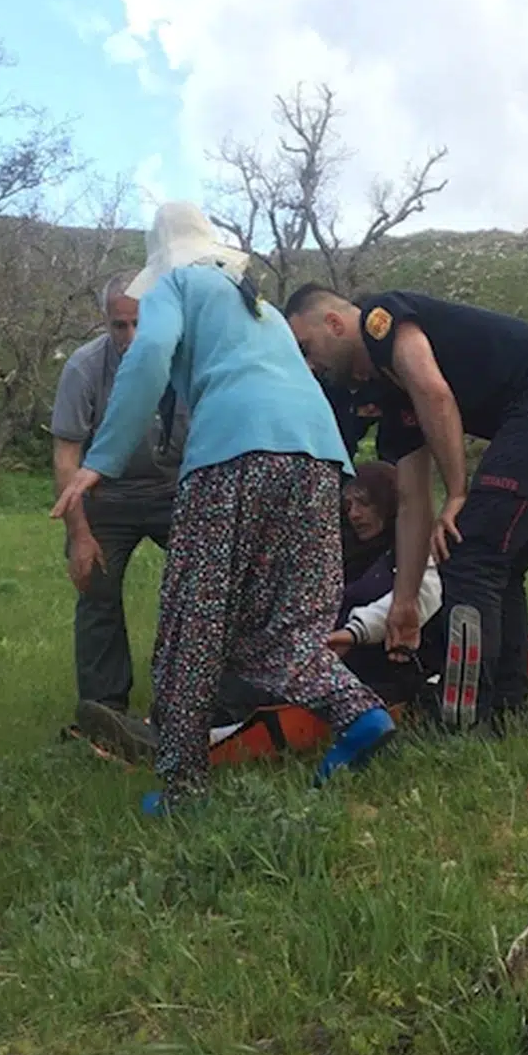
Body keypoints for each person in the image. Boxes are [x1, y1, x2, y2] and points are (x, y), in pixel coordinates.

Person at [52, 204, 394, 812]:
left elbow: (148, 358)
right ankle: (359, 713)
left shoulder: (175, 284)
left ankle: (183, 788)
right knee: (287, 622)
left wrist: (99, 461)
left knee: (195, 620)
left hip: (234, 456)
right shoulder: (254, 304)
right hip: (317, 459)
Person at [286, 285, 528, 730]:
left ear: (333, 323)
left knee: (467, 557)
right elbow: (412, 503)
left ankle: (462, 716)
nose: (312, 366)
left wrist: (460, 493)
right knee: (500, 566)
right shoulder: (391, 396)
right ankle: (505, 710)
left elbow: (435, 392)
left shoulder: (379, 319)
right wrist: (404, 602)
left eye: (307, 349)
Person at [51, 280, 184, 741]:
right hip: (106, 495)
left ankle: (194, 695)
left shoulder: (186, 361)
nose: (129, 335)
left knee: (204, 584)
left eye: (139, 323)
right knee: (95, 587)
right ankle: (103, 708)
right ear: (105, 322)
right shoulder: (84, 368)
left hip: (176, 491)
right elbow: (66, 457)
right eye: (118, 324)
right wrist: (80, 534)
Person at [328, 462, 443, 699]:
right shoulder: (340, 553)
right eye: (348, 505)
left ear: (389, 503)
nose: (354, 514)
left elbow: (423, 595)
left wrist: (352, 633)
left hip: (393, 660)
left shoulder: (417, 550)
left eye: (365, 504)